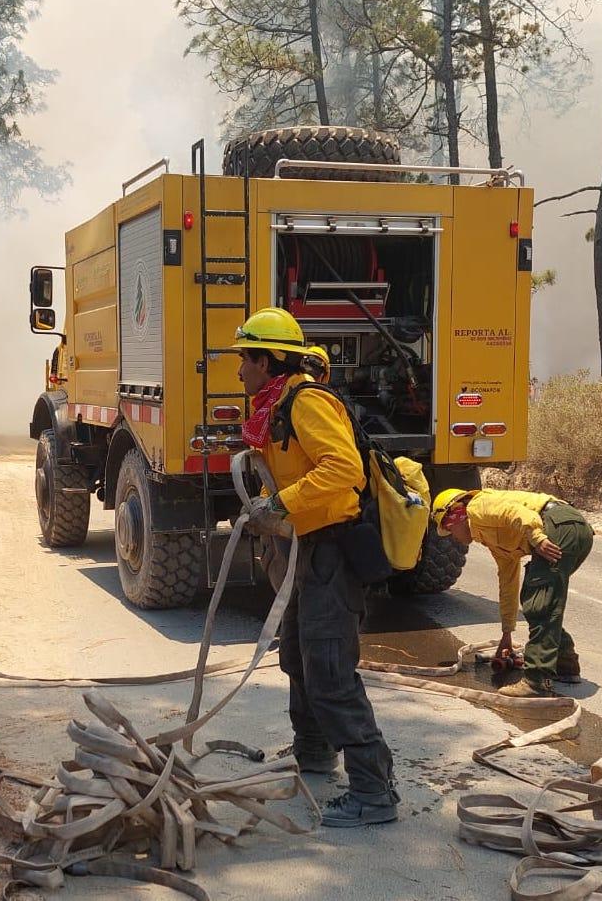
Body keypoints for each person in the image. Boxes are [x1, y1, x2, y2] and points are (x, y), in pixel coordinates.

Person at [232, 307, 398, 828]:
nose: (239, 372)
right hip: (303, 549)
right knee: (298, 657)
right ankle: (314, 753)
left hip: (330, 551)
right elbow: (291, 469)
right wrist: (268, 504)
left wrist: (281, 504)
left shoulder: (307, 402)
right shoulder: (277, 407)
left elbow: (343, 468)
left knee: (328, 668)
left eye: (245, 360)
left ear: (269, 359)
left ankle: (374, 792)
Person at [431, 488, 593, 697]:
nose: (453, 538)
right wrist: (506, 634)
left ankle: (536, 681)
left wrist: (537, 538)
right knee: (543, 602)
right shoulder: (490, 538)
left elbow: (519, 514)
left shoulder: (477, 507)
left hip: (558, 526)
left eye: (450, 531)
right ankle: (566, 666)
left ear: (454, 517)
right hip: (572, 528)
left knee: (540, 604)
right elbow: (508, 582)